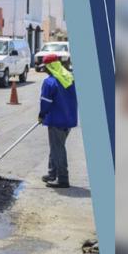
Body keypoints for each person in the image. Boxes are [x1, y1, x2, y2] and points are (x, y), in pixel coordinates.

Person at [38, 53, 78, 188]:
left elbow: (45, 102)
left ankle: (62, 179)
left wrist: (42, 114)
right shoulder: (69, 77)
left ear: (50, 67)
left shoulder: (49, 82)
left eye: (46, 68)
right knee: (56, 147)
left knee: (58, 148)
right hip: (69, 119)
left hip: (56, 119)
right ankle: (52, 174)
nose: (44, 70)